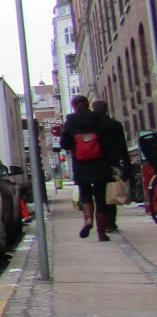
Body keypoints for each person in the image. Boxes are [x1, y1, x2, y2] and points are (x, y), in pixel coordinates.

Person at [60, 95, 125, 241]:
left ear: (74, 105)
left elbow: (64, 143)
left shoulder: (71, 121)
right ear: (88, 104)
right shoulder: (99, 119)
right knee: (101, 197)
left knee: (85, 194)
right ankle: (102, 233)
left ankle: (88, 220)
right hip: (100, 163)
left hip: (81, 163)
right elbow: (109, 142)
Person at [92, 99, 131, 235]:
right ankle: (111, 223)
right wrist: (127, 165)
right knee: (111, 194)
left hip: (95, 164)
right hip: (111, 164)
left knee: (99, 195)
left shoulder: (91, 126)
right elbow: (122, 146)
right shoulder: (114, 125)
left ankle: (101, 225)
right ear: (106, 109)